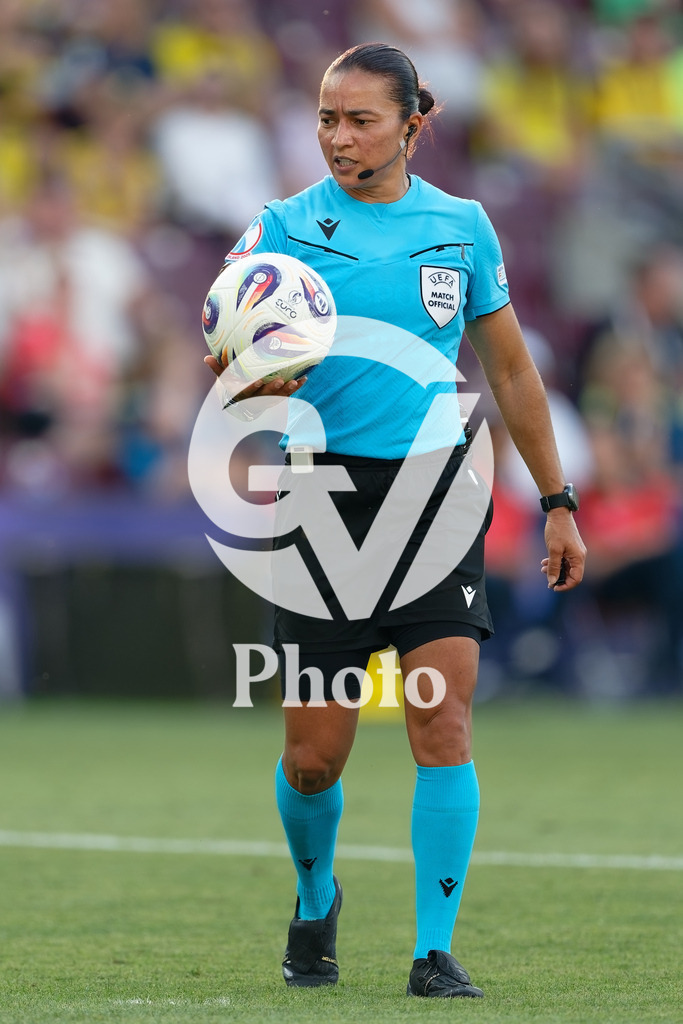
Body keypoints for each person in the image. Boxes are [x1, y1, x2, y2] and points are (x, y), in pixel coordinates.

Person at [204, 42, 586, 999]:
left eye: (360, 118)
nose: (338, 136)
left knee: (441, 720)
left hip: (436, 490)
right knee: (311, 757)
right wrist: (244, 374)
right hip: (320, 501)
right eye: (327, 118)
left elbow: (509, 373)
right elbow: (224, 339)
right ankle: (313, 896)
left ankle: (433, 951)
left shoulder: (461, 228)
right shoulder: (282, 225)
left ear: (415, 122)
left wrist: (555, 501)